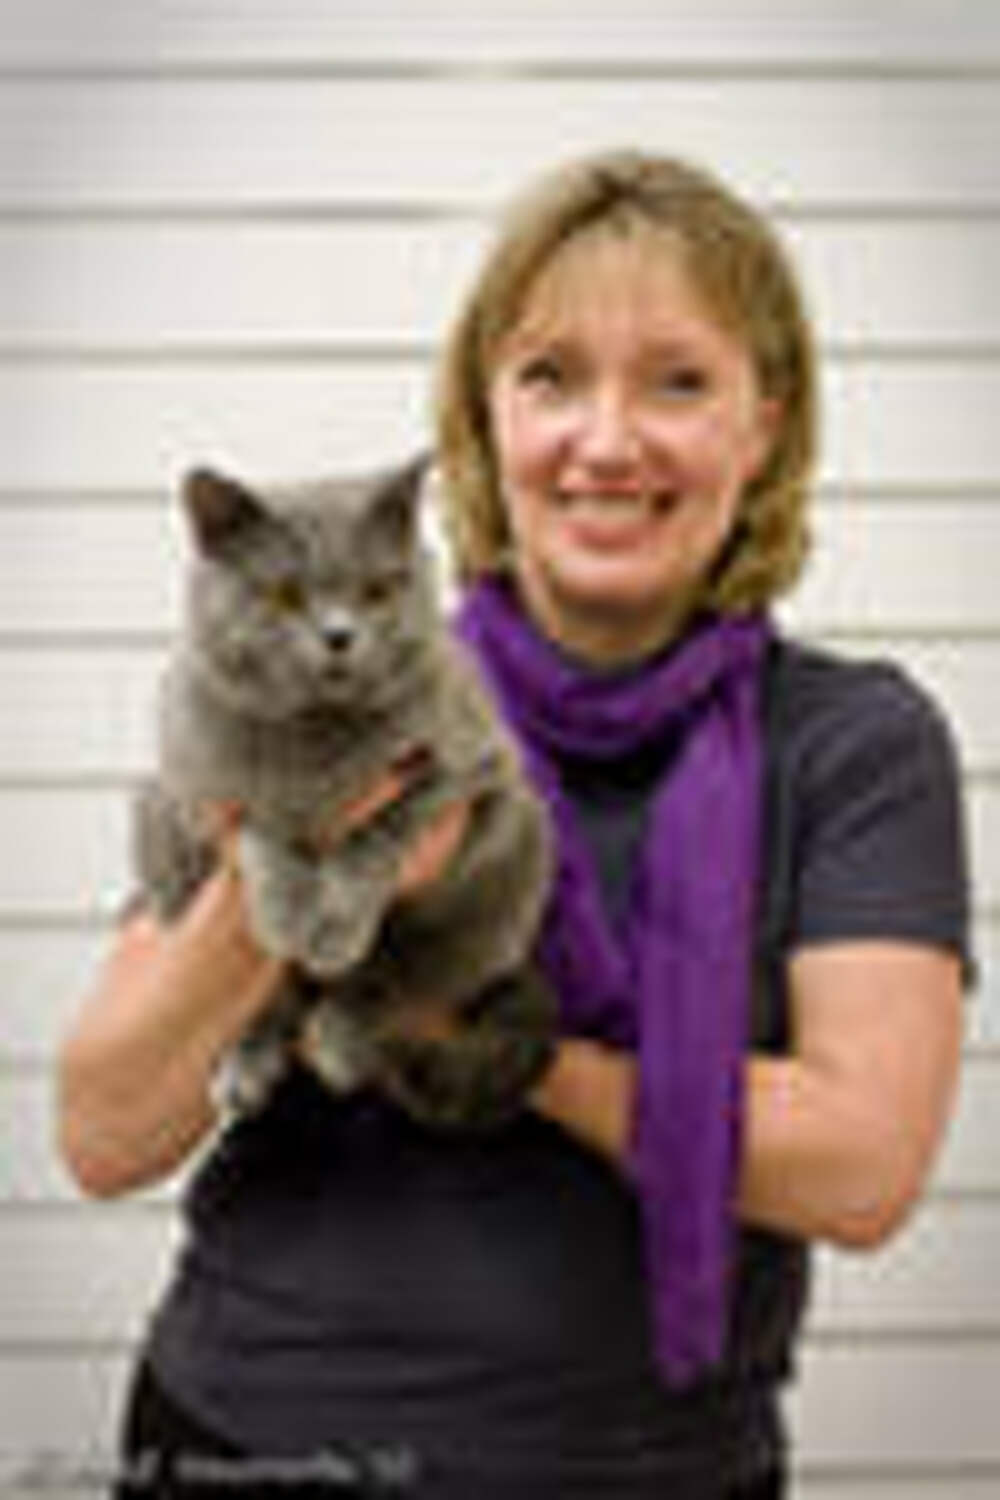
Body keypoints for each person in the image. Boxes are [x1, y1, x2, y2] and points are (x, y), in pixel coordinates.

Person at [57, 150, 971, 1499]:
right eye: (551, 377)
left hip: (653, 1471)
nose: (608, 440)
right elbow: (105, 1131)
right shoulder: (334, 701)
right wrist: (296, 876)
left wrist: (474, 1037)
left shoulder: (852, 743)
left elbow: (857, 1168)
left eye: (677, 381)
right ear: (485, 421)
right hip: (254, 1434)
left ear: (764, 426)